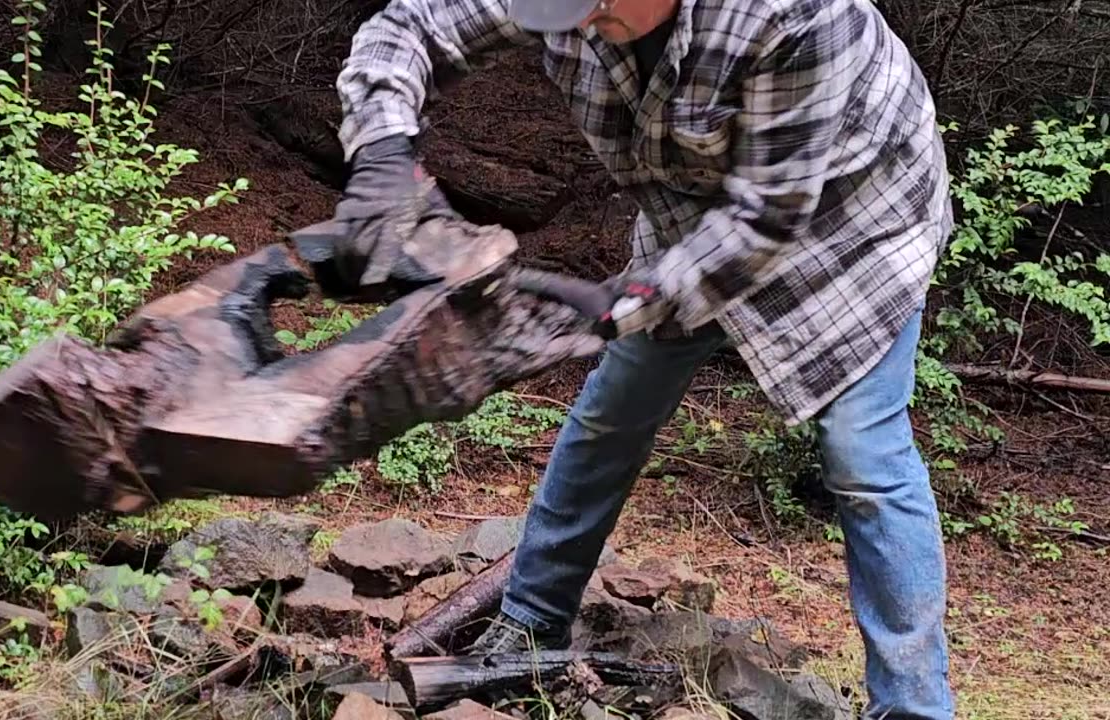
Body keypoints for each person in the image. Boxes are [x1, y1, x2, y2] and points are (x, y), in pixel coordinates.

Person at [324, 0, 956, 717]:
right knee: (611, 413)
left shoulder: (800, 15)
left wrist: (619, 304)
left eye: (597, 6)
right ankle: (530, 622)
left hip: (854, 220)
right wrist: (381, 153)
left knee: (862, 454)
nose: (581, 26)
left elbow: (764, 218)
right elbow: (409, 27)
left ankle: (912, 706)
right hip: (691, 215)